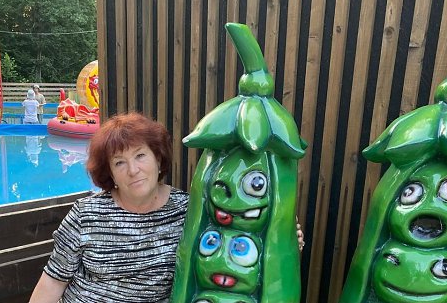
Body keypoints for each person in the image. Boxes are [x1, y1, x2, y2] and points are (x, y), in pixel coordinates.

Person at [28, 112, 305, 303]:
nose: (133, 170)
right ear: (110, 172)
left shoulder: (190, 210)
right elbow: (52, 283)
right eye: (119, 162)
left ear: (158, 159)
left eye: (140, 155)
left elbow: (239, 241)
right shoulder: (86, 215)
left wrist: (287, 239)